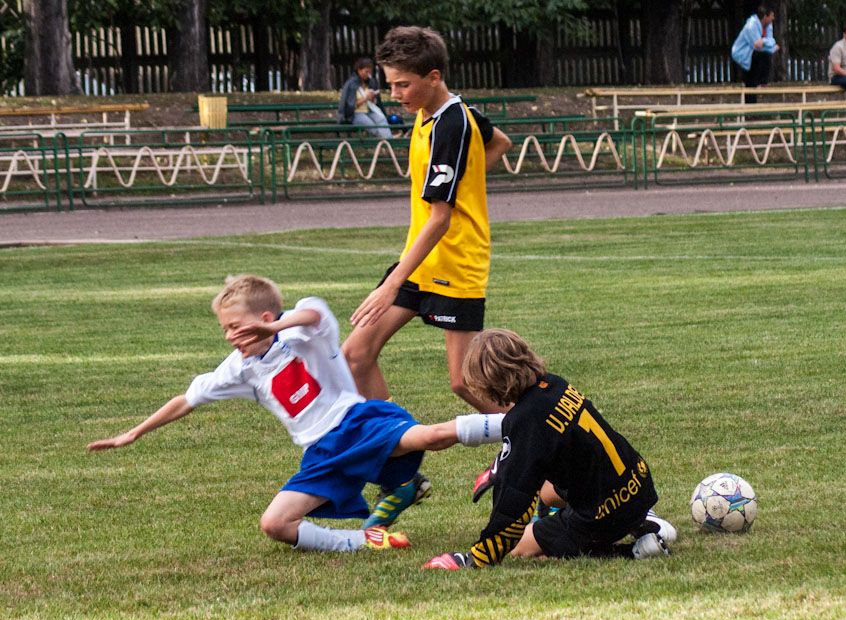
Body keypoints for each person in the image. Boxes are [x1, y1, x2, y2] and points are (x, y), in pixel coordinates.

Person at [85, 275, 505, 553]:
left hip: (355, 423)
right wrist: (133, 433)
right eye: (225, 330)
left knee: (429, 437)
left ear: (267, 318)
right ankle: (363, 542)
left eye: (237, 326)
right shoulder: (240, 368)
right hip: (320, 454)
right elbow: (187, 398)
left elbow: (313, 314)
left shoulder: (303, 331)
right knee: (275, 524)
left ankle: (516, 422)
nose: (231, 336)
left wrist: (275, 329)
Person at [342, 26, 513, 414]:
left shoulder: (452, 123)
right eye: (391, 84)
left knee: (465, 383)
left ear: (434, 77)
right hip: (420, 262)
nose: (395, 94)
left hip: (455, 263)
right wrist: (468, 186)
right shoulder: (430, 112)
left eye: (403, 85)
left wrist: (390, 286)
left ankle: (541, 454)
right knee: (355, 355)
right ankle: (402, 461)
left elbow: (440, 219)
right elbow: (500, 141)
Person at [423, 329, 677, 570]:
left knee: (521, 547)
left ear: (489, 383)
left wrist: (478, 557)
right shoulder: (554, 384)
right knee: (545, 494)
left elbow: (513, 504)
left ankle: (632, 551)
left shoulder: (524, 421)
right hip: (637, 485)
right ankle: (637, 522)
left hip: (604, 512)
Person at [731, 4, 780, 104]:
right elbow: (757, 46)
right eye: (771, 16)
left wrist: (765, 42)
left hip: (753, 52)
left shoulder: (768, 25)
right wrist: (769, 44)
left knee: (765, 54)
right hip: (742, 53)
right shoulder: (751, 26)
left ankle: (762, 81)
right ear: (765, 17)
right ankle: (750, 109)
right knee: (751, 80)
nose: (773, 18)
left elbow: (770, 41)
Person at [338, 56, 393, 139]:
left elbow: (376, 103)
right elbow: (350, 106)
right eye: (366, 71)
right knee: (371, 126)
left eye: (370, 72)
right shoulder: (351, 84)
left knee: (381, 119)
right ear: (359, 70)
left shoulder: (371, 82)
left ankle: (389, 140)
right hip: (356, 113)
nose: (368, 74)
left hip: (369, 110)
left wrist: (372, 98)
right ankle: (388, 140)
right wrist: (366, 98)